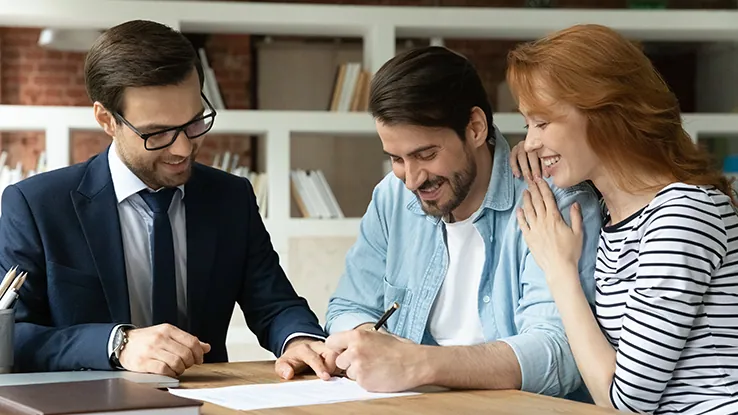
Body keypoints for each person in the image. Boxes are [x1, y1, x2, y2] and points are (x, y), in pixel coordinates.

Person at [2, 19, 338, 380]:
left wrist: (299, 340)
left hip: (206, 400)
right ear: (106, 119)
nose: (182, 149)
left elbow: (274, 303)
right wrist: (117, 344)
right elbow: (11, 337)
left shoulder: (231, 198)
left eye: (194, 123)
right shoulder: (36, 205)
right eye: (157, 133)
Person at [323, 45, 603, 398]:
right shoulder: (391, 197)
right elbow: (349, 306)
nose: (411, 179)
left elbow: (557, 353)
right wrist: (367, 346)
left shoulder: (554, 200)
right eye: (396, 158)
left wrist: (418, 363)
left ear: (474, 127)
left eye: (425, 154)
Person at [508, 24, 738, 414]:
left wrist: (559, 271)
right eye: (527, 124)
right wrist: (538, 151)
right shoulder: (614, 214)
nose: (529, 141)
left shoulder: (682, 215)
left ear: (604, 113)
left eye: (542, 122)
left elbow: (627, 402)